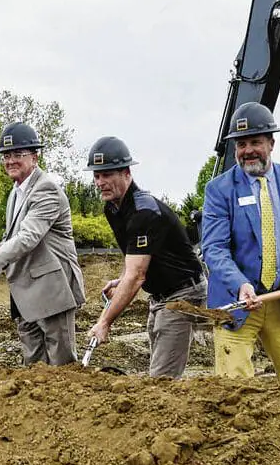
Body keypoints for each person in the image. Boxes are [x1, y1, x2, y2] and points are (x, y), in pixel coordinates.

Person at [201, 102, 280, 387]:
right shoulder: (219, 190)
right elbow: (214, 248)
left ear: (271, 142)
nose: (248, 151)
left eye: (255, 142)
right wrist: (240, 284)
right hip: (237, 304)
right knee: (234, 391)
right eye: (241, 144)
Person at [0, 122, 85, 366]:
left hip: (51, 288)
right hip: (25, 290)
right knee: (32, 365)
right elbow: (17, 235)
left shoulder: (46, 189)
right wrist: (0, 245)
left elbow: (29, 237)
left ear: (35, 157)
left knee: (62, 365)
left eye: (18, 154)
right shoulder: (16, 191)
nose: (10, 161)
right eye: (6, 156)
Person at [84, 136, 205, 378]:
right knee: (158, 368)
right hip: (160, 295)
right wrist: (121, 280)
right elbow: (136, 260)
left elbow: (137, 276)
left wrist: (104, 322)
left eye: (107, 174)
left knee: (162, 380)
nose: (100, 182)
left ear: (126, 172)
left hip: (182, 293)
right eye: (97, 176)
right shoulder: (113, 208)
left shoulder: (144, 212)